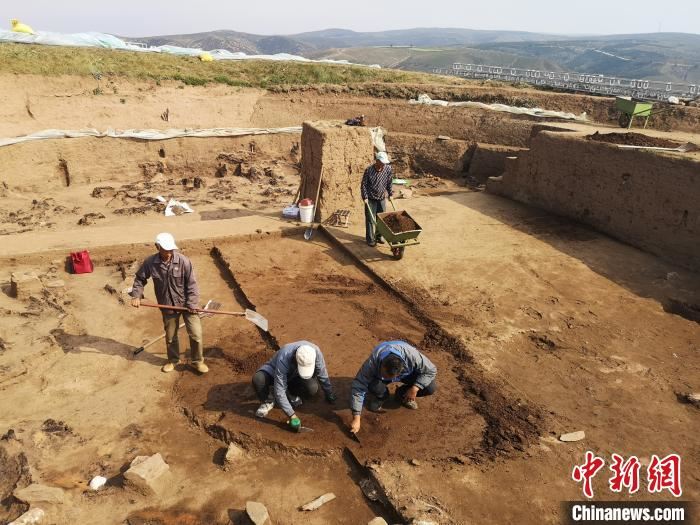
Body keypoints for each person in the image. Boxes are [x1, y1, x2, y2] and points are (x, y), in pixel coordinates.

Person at [130, 232, 207, 374]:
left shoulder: (184, 261)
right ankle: (173, 360)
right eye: (166, 249)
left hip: (187, 305)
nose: (169, 252)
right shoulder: (150, 263)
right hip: (167, 306)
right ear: (157, 246)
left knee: (196, 335)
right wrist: (136, 295)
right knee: (171, 337)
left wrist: (192, 303)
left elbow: (192, 285)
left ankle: (198, 361)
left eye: (171, 249)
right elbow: (140, 279)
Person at [349, 340, 437, 434]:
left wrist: (415, 387)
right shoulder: (372, 363)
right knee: (372, 384)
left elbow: (431, 370)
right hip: (379, 377)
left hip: (406, 374)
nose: (389, 379)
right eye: (385, 375)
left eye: (390, 377)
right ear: (382, 365)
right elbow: (359, 386)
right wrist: (356, 417)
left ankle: (401, 395)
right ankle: (382, 396)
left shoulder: (412, 356)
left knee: (430, 387)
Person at [252, 341, 336, 432]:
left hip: (294, 375)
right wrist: (292, 415)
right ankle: (268, 401)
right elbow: (279, 390)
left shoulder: (315, 352)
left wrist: (329, 393)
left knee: (312, 388)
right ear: (295, 358)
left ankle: (291, 392)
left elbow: (322, 373)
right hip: (274, 371)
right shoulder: (284, 356)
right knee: (258, 379)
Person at [361, 151, 393, 247]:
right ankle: (370, 239)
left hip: (381, 198)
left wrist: (390, 194)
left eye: (384, 163)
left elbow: (389, 182)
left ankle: (379, 237)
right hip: (370, 199)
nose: (383, 165)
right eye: (382, 163)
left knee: (381, 219)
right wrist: (365, 196)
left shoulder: (388, 169)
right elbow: (364, 185)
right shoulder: (369, 170)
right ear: (377, 161)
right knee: (370, 220)